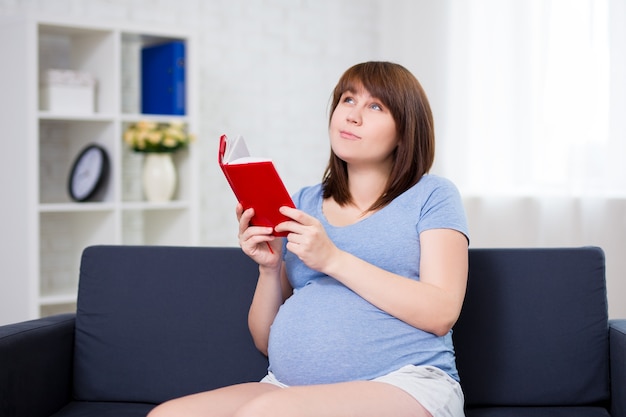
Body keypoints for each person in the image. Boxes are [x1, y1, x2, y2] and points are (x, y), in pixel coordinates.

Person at [148, 61, 469, 417]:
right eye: (348, 100)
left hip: (405, 383)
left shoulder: (432, 195)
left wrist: (333, 259)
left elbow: (441, 312)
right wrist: (269, 270)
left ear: (406, 131)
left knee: (267, 413)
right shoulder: (302, 203)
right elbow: (264, 341)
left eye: (375, 106)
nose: (353, 115)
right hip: (286, 388)